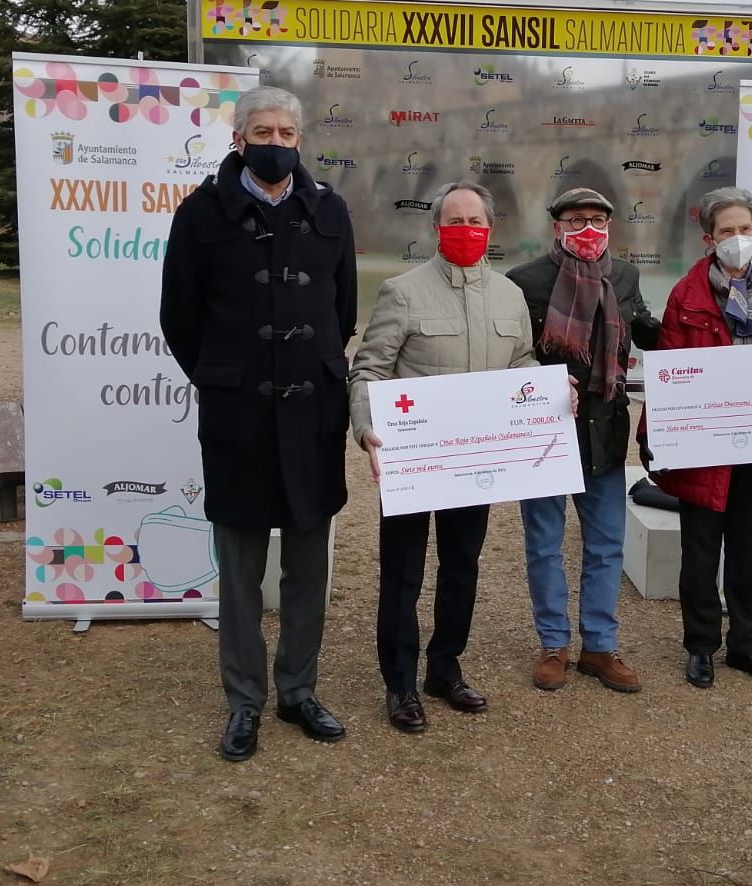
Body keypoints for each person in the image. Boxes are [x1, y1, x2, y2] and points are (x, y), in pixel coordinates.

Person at [160, 86, 358, 763]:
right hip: (238, 415)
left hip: (312, 414)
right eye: (263, 130)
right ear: (239, 138)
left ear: (299, 139)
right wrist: (226, 374)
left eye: (286, 131)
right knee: (240, 566)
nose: (276, 142)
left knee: (308, 562)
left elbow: (343, 309)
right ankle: (243, 700)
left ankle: (298, 690)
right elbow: (179, 317)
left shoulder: (330, 210)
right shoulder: (200, 214)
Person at [350, 181, 537, 733]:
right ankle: (400, 683)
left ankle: (445, 667)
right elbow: (369, 370)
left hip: (475, 462)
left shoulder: (509, 295)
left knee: (462, 567)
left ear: (491, 227)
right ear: (436, 229)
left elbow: (522, 360)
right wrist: (366, 428)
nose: (465, 230)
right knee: (403, 573)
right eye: (453, 221)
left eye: (474, 220)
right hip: (414, 463)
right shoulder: (403, 292)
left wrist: (554, 391)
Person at [639, 187, 752, 690]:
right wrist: (658, 437)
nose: (737, 239)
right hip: (704, 447)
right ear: (708, 238)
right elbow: (667, 369)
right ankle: (700, 647)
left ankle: (745, 645)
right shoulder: (686, 295)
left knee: (746, 553)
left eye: (745, 229)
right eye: (727, 231)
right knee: (699, 556)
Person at [507, 188, 660, 693]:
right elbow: (509, 356)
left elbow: (646, 334)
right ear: (556, 226)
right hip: (544, 432)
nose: (588, 229)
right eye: (576, 220)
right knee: (545, 544)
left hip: (605, 430)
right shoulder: (525, 282)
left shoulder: (625, 276)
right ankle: (554, 642)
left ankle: (600, 645)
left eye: (597, 220)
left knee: (606, 545)